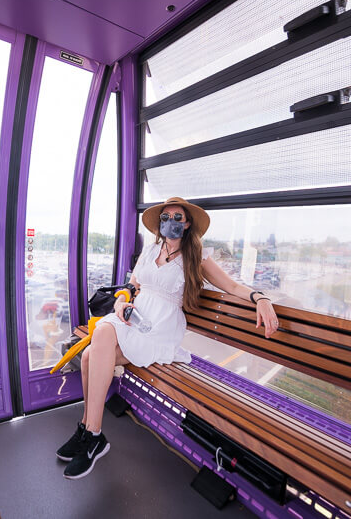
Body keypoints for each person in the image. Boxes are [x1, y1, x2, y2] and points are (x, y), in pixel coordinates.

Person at [57, 197, 279, 479]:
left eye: (177, 218)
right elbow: (132, 284)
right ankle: (89, 431)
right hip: (135, 318)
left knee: (94, 348)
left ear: (186, 224)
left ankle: (91, 433)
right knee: (92, 350)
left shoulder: (196, 257)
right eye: (165, 217)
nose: (170, 222)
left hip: (160, 327)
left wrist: (260, 297)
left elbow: (232, 286)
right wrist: (121, 301)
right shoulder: (151, 250)